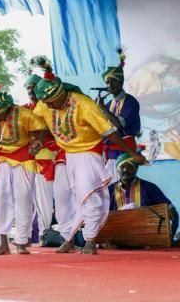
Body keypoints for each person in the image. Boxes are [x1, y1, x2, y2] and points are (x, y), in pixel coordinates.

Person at [33, 64, 147, 255]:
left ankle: (90, 239)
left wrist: (132, 152)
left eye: (52, 101)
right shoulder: (46, 104)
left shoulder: (84, 104)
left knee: (90, 197)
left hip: (88, 155)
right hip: (68, 156)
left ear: (62, 93)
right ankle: (68, 237)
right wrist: (38, 140)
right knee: (70, 199)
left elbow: (110, 132)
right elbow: (42, 121)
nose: (49, 106)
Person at [0, 78, 46, 255]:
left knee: (23, 198)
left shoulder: (24, 115)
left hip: (24, 159)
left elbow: (39, 131)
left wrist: (37, 143)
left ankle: (21, 241)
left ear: (8, 106)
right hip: (2, 160)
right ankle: (2, 241)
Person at [108, 153, 178, 242]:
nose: (125, 170)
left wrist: (171, 238)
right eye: (122, 167)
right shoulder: (109, 190)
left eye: (129, 166)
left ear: (136, 169)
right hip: (118, 238)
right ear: (118, 170)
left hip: (146, 238)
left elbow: (173, 213)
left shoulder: (150, 188)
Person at [98, 49, 141, 181]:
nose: (109, 85)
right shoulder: (110, 103)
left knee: (123, 186)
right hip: (110, 152)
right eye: (107, 83)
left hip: (125, 151)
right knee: (110, 190)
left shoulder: (130, 101)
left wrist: (103, 109)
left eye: (112, 81)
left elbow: (118, 124)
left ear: (120, 82)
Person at [23, 74, 55, 245]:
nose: (30, 90)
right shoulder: (23, 109)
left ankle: (45, 233)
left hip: (46, 157)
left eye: (33, 87)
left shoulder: (49, 107)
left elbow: (54, 130)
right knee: (24, 197)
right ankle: (25, 235)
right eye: (28, 88)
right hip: (27, 160)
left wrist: (39, 139)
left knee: (44, 198)